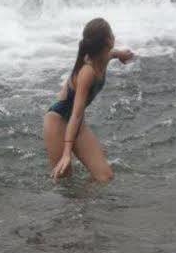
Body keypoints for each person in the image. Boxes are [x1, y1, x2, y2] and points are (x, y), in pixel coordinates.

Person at [43, 17, 134, 183]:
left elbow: (112, 54)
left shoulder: (103, 57)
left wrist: (121, 55)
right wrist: (66, 153)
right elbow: (76, 114)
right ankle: (68, 206)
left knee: (105, 177)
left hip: (75, 122)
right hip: (58, 121)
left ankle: (83, 206)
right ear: (108, 40)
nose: (114, 36)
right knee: (64, 181)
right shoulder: (88, 71)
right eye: (112, 33)